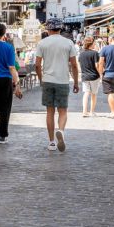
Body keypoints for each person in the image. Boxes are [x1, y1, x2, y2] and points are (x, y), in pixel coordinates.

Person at [34, 18, 80, 152]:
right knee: (63, 111)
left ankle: (51, 142)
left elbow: (37, 65)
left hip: (48, 80)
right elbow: (74, 65)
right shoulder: (68, 43)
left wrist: (41, 79)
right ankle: (60, 130)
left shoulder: (42, 43)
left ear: (48, 29)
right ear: (60, 29)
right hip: (63, 81)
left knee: (49, 112)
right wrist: (76, 82)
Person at [78, 36, 101, 118]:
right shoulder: (95, 53)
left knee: (86, 93)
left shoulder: (81, 54)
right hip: (94, 76)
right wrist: (101, 74)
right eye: (94, 42)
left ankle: (84, 111)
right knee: (94, 94)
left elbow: (79, 66)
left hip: (85, 76)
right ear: (91, 44)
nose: (95, 44)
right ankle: (91, 112)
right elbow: (97, 65)